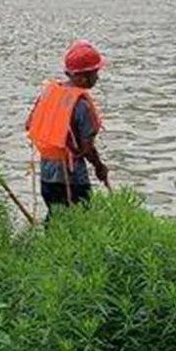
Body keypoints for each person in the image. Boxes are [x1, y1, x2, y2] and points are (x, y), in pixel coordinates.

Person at [26, 40, 109, 220]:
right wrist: (99, 167)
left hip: (46, 172)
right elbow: (87, 148)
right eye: (95, 73)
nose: (98, 78)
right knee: (80, 220)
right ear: (82, 76)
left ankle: (45, 246)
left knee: (54, 216)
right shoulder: (82, 104)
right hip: (70, 177)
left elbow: (29, 124)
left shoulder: (49, 93)